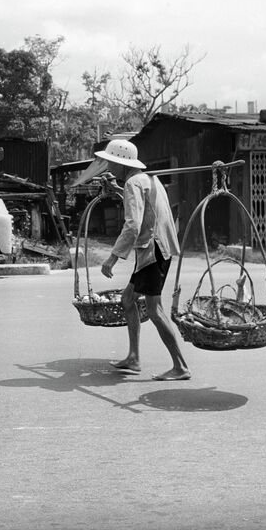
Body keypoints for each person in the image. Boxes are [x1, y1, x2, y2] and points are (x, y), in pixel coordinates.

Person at [96, 139, 191, 381]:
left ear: (120, 162)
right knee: (129, 299)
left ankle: (181, 366)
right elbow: (143, 209)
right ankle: (134, 358)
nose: (107, 165)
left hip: (153, 251)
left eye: (110, 161)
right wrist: (118, 190)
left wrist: (113, 257)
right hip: (158, 249)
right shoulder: (148, 179)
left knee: (155, 310)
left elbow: (133, 224)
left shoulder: (133, 183)